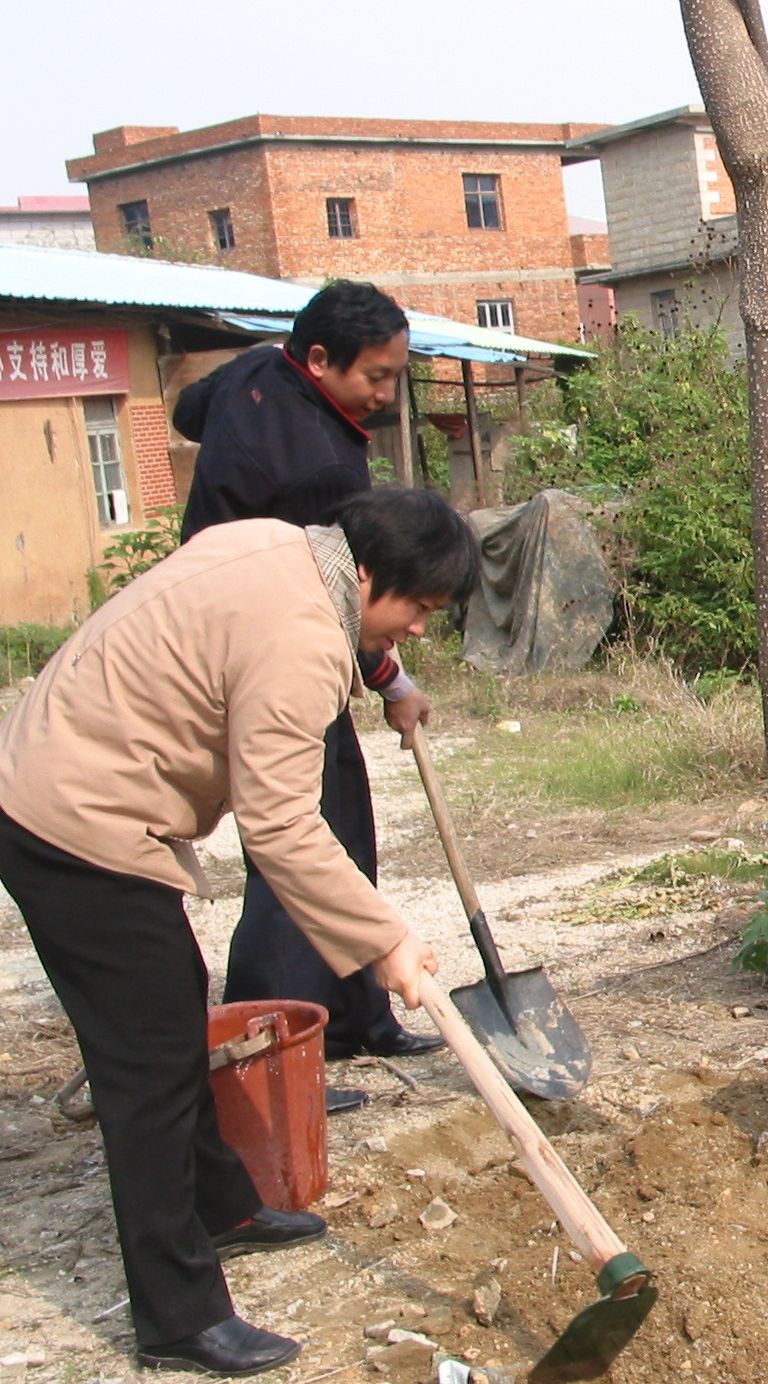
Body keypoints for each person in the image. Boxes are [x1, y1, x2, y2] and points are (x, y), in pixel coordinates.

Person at [0, 487, 478, 1374]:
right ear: (368, 573)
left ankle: (223, 1206)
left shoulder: (281, 547)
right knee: (145, 1071)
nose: (418, 628)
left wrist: (386, 676)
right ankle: (178, 1317)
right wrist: (384, 941)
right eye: (417, 606)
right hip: (72, 818)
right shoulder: (301, 639)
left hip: (62, 776)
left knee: (173, 1007)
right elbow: (282, 826)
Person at [175, 281, 444, 1109]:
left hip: (247, 623)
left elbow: (188, 410)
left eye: (395, 374)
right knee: (293, 844)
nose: (386, 394)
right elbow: (353, 599)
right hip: (260, 649)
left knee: (345, 827)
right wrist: (393, 681)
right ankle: (275, 1047)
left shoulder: (256, 370)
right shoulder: (319, 468)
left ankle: (357, 1014)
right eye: (376, 376)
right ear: (320, 359)